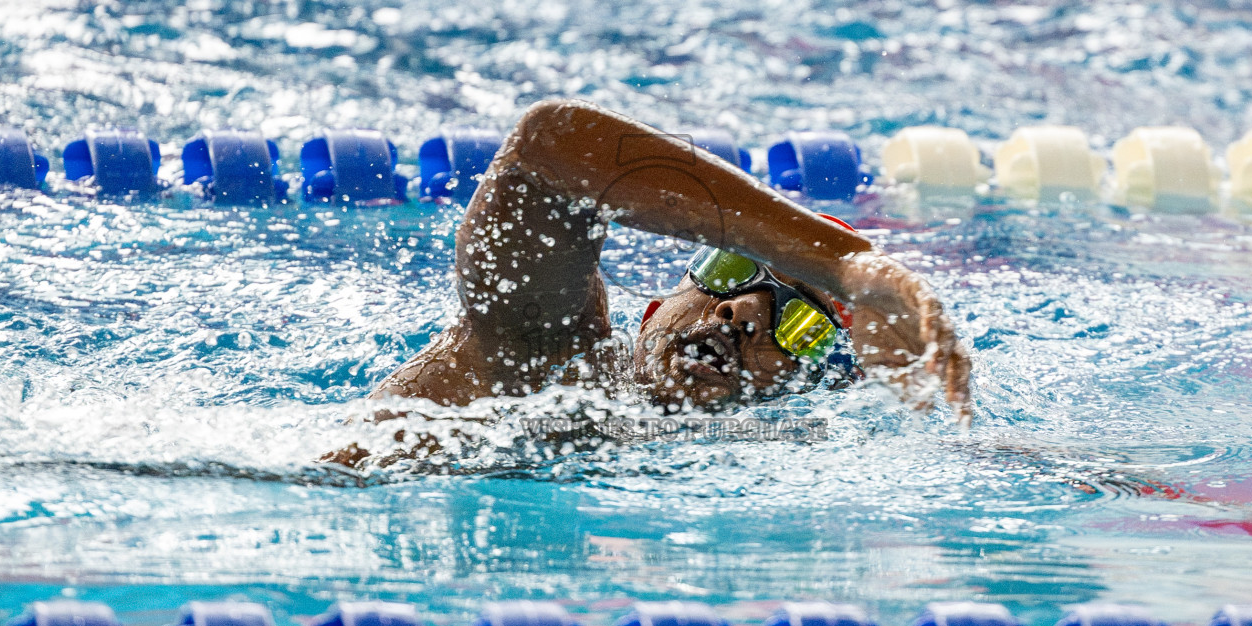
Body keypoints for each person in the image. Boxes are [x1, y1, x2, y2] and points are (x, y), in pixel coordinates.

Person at [325, 99, 970, 467]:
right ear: (657, 307)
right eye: (729, 269)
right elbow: (545, 148)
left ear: (815, 388)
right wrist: (848, 266)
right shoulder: (553, 358)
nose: (743, 310)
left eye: (798, 323)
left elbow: (978, 453)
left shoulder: (775, 440)